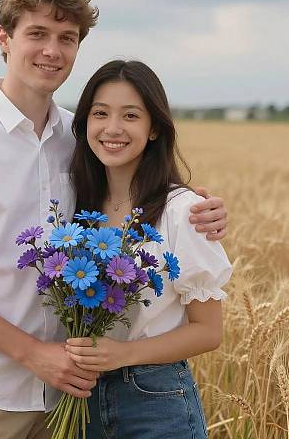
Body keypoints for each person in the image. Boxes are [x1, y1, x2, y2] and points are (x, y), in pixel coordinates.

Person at [0, 0, 228, 439]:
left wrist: (192, 204)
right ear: (4, 38)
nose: (52, 50)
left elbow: (136, 196)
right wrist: (33, 354)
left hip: (72, 400)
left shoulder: (81, 137)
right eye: (37, 33)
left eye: (67, 37)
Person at [65, 60, 233, 439]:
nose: (112, 129)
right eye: (100, 113)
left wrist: (124, 355)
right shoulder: (75, 206)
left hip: (156, 400)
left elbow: (208, 332)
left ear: (154, 128)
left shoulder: (182, 211)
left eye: (130, 115)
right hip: (78, 398)